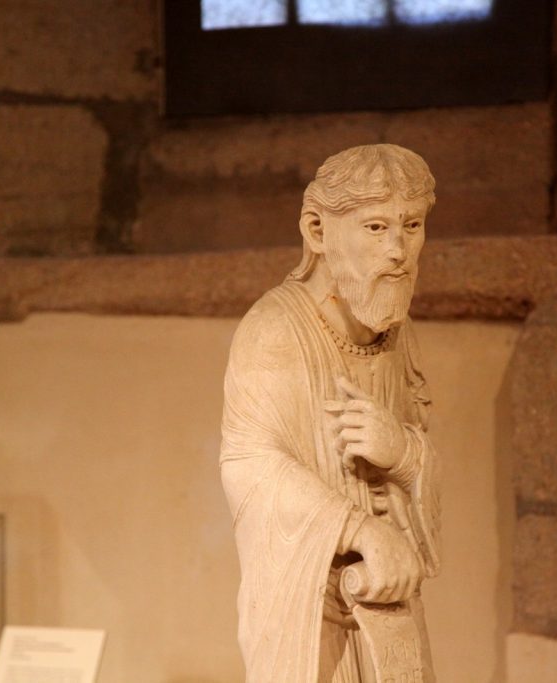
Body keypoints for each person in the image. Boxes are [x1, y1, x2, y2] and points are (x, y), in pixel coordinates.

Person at [220, 144, 442, 682]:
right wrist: (360, 530)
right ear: (318, 232)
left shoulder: (395, 335)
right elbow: (250, 465)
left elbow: (416, 448)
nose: (398, 250)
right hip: (310, 619)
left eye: (411, 225)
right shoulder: (274, 331)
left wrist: (405, 452)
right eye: (374, 228)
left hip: (389, 610)